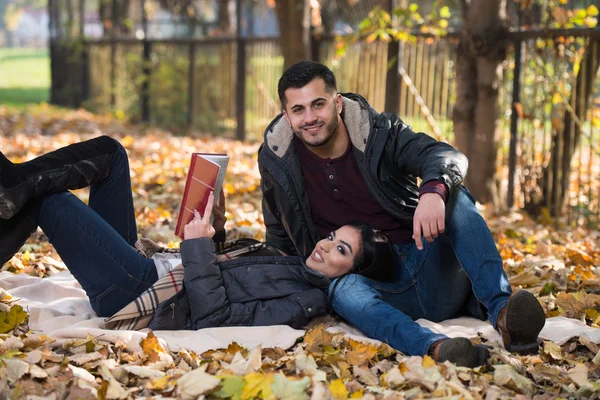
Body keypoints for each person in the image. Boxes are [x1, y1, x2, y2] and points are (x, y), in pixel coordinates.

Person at [0, 137, 436, 345]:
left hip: (139, 295)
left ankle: (11, 186)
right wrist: (215, 226)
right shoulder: (288, 261)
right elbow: (224, 269)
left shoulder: (303, 301)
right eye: (332, 237)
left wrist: (197, 246)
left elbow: (214, 315)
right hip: (153, 267)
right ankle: (12, 184)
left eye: (340, 250)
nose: (323, 245)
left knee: (51, 200)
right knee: (113, 156)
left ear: (350, 276)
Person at [257, 61, 546, 364]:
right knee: (342, 290)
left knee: (455, 197)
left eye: (318, 104)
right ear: (287, 117)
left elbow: (444, 155)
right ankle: (436, 348)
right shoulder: (276, 160)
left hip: (430, 264)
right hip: (375, 289)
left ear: (338, 103)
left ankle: (503, 312)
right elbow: (280, 233)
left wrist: (434, 190)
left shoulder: (381, 133)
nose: (310, 118)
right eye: (299, 110)